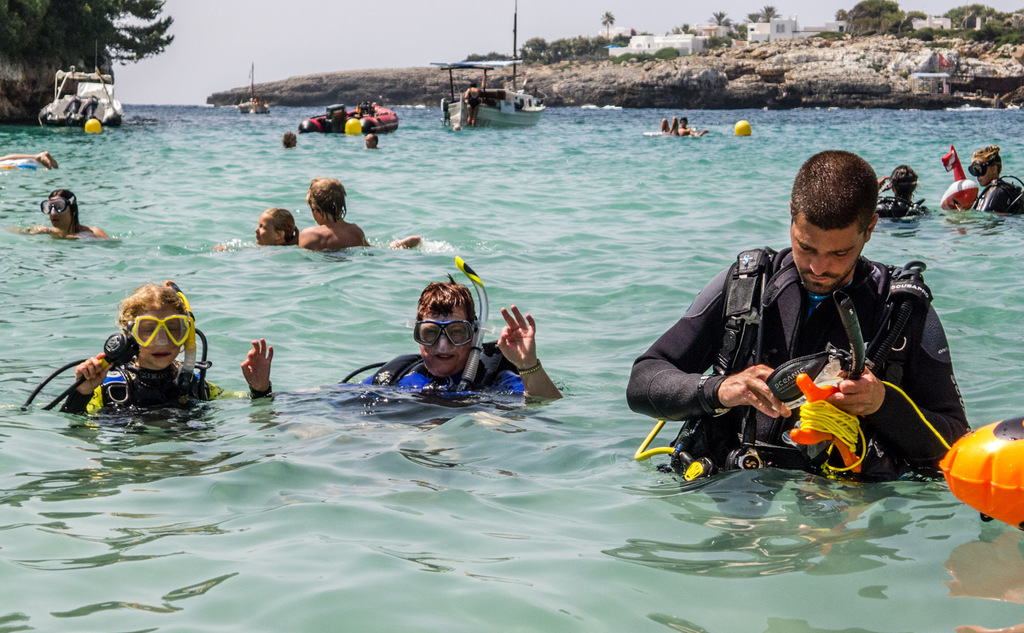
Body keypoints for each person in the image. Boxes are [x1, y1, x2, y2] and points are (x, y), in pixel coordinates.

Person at [627, 150, 969, 481]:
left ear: (870, 229)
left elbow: (957, 444)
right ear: (792, 214)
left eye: (839, 252)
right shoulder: (746, 287)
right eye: (806, 247)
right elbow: (642, 382)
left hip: (845, 511)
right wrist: (719, 389)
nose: (818, 267)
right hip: (737, 496)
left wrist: (882, 403)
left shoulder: (900, 308)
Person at [61, 282, 273, 414]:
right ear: (128, 336)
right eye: (149, 329)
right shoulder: (111, 387)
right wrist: (82, 391)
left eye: (173, 329)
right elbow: (73, 426)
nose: (161, 340)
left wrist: (260, 389)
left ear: (186, 335)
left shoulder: (195, 385)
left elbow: (247, 404)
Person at [356, 278, 561, 399]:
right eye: (430, 333)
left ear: (475, 335)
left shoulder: (494, 381)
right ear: (418, 335)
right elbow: (334, 401)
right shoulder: (398, 375)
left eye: (456, 332)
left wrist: (528, 366)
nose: (443, 346)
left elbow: (544, 406)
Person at [298, 177, 421, 251]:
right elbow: (371, 251)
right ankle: (397, 246)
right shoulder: (354, 231)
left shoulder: (308, 235)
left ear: (317, 209)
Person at [29, 189, 109, 239]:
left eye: (59, 207)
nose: (53, 213)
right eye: (49, 207)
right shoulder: (48, 231)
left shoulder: (94, 234)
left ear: (72, 210)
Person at [969, 146, 1024, 215]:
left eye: (980, 170)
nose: (978, 176)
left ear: (994, 169)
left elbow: (985, 219)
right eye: (974, 171)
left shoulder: (995, 191)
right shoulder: (1002, 189)